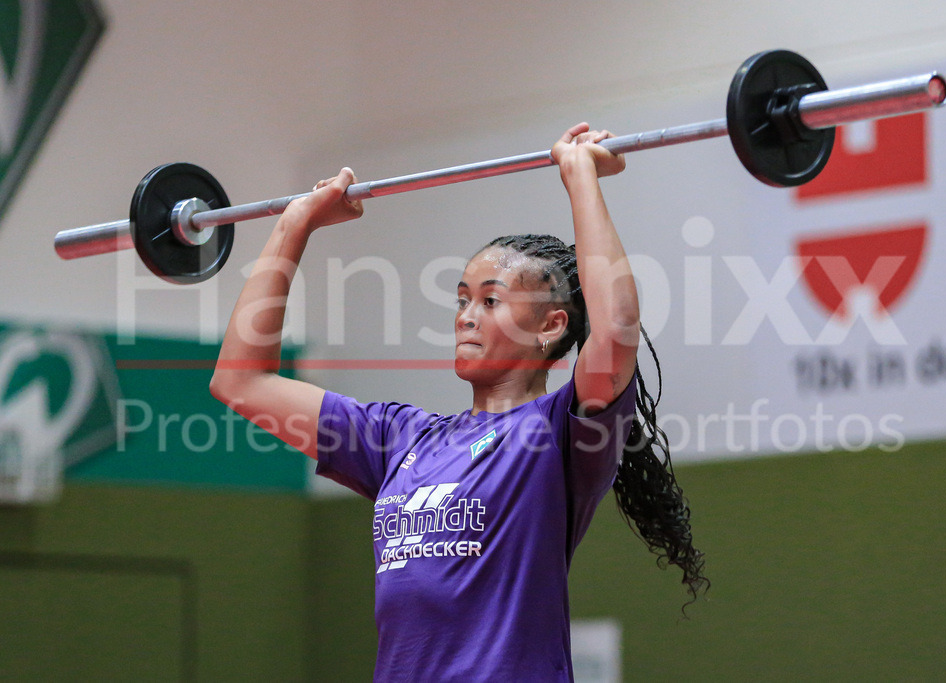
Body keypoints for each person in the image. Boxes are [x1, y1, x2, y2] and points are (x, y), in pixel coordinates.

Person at [210, 123, 707, 681]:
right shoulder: (398, 439)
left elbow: (615, 328)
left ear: (551, 326)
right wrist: (295, 223)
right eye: (463, 299)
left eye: (491, 301)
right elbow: (241, 381)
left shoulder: (560, 434)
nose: (466, 315)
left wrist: (579, 174)